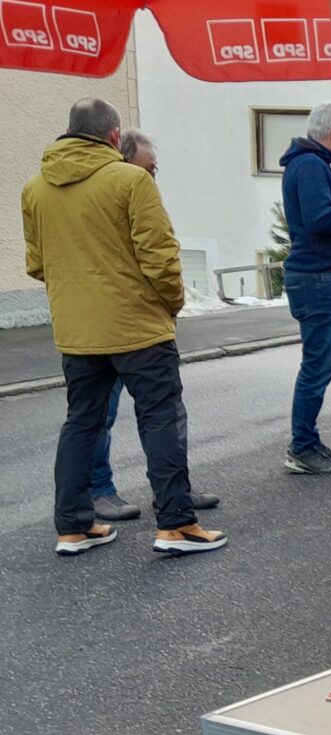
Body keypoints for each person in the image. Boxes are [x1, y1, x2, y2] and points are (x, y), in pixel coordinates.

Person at [22, 98, 226, 556]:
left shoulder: (35, 188)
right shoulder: (131, 180)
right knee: (160, 418)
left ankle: (73, 527)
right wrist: (170, 303)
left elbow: (37, 263)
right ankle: (176, 525)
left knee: (81, 422)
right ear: (114, 135)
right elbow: (160, 256)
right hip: (138, 325)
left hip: (77, 330)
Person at [90, 129, 220, 520]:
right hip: (115, 324)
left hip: (137, 321)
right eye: (146, 169)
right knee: (102, 414)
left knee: (161, 415)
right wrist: (172, 300)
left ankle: (172, 490)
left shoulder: (135, 196)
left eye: (154, 170)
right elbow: (159, 262)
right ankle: (100, 491)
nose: (151, 178)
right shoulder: (107, 199)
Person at [279, 102, 331, 475]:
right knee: (317, 367)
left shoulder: (310, 163)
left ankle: (307, 440)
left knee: (318, 365)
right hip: (317, 277)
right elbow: (320, 219)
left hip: (318, 275)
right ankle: (302, 446)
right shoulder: (310, 165)